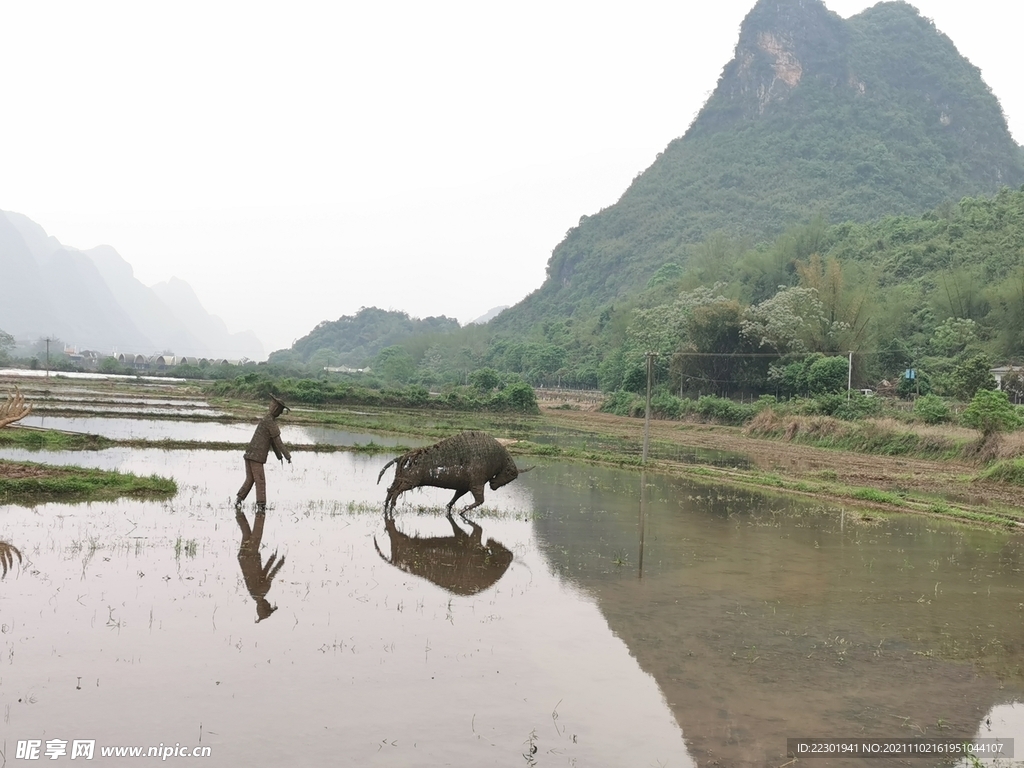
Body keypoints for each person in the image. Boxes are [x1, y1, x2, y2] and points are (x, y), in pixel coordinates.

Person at [236, 396, 292, 508]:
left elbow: (272, 441)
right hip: (257, 456)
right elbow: (278, 441)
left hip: (249, 454)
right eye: (280, 410)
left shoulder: (266, 420)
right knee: (260, 481)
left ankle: (239, 499)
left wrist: (279, 456)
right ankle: (261, 505)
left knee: (250, 480)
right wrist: (287, 456)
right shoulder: (269, 422)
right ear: (276, 409)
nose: (280, 413)